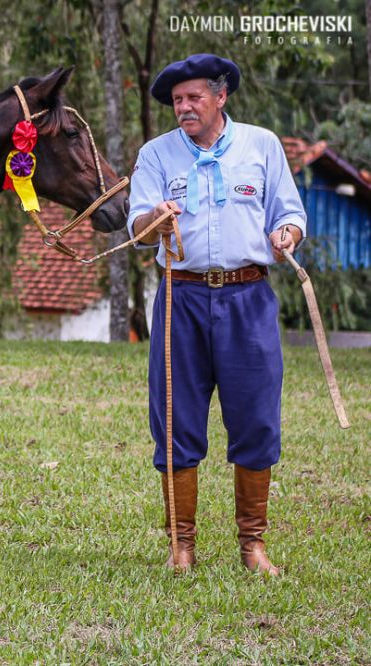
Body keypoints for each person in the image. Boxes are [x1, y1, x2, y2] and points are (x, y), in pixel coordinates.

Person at [127, 53, 306, 574]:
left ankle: (252, 545)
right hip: (179, 299)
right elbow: (137, 231)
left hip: (247, 299)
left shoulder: (262, 146)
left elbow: (289, 211)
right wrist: (155, 220)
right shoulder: (157, 156)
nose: (183, 107)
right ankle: (181, 545)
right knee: (175, 418)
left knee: (255, 417)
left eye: (193, 98)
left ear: (220, 96)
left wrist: (287, 234)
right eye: (176, 101)